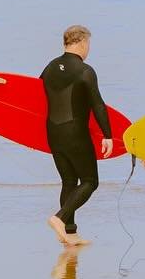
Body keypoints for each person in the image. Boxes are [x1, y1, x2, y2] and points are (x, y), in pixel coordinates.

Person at [41, 24, 115, 247]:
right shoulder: (85, 71)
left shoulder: (50, 67)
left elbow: (35, 96)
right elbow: (98, 105)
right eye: (88, 43)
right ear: (82, 42)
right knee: (90, 181)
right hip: (75, 133)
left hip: (53, 132)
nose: (88, 48)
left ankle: (69, 233)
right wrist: (108, 135)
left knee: (69, 181)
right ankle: (59, 218)